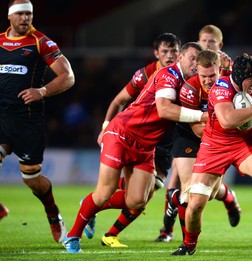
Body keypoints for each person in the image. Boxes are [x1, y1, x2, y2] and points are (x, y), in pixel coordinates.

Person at [62, 42, 206, 253]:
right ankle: (73, 236)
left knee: (137, 201)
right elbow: (165, 110)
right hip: (122, 134)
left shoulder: (192, 84)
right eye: (192, 58)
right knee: (104, 192)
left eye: (198, 59)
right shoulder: (169, 74)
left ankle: (90, 204)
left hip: (146, 147)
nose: (195, 63)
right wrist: (202, 116)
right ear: (181, 58)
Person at [172, 53, 252, 255]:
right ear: (240, 77)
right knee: (196, 203)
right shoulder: (221, 88)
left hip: (245, 144)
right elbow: (227, 121)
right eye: (251, 78)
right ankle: (189, 245)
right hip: (214, 145)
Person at [81, 33, 182, 248]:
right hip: (134, 136)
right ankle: (100, 219)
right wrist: (106, 126)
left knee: (141, 196)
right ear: (156, 54)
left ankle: (94, 209)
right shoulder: (145, 74)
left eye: (174, 51)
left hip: (163, 142)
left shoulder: (184, 74)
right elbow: (119, 100)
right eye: (165, 51)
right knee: (140, 195)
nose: (170, 55)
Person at [0, 0, 75, 243]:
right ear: (10, 17)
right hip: (1, 116)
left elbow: (68, 76)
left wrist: (41, 91)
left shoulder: (41, 42)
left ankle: (53, 213)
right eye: (20, 14)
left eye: (29, 14)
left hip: (27, 119)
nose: (25, 18)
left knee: (32, 179)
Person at [155, 24, 238, 242]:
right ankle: (170, 231)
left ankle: (227, 196)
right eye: (203, 41)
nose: (205, 45)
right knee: (182, 181)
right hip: (188, 129)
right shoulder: (188, 66)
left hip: (214, 135)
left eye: (210, 42)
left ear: (219, 46)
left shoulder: (224, 72)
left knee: (207, 190)